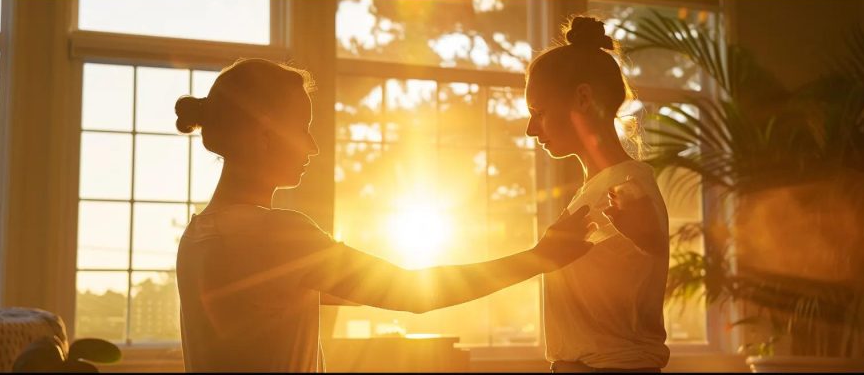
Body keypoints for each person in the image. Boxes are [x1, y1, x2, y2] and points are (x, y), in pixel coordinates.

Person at [173, 58, 596, 373]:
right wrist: (541, 257)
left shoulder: (197, 236)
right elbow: (411, 293)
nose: (312, 147)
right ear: (265, 133)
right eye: (303, 127)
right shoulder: (278, 234)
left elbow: (314, 293)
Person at [524, 16, 672, 373]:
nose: (531, 130)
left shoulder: (627, 186)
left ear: (583, 98)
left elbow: (650, 242)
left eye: (538, 113)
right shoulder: (596, 188)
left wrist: (649, 235)